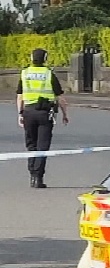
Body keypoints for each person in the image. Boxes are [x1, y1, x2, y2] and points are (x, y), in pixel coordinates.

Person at [16, 48, 68, 188]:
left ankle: (32, 174)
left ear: (31, 58)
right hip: (45, 114)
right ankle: (38, 177)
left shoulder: (25, 73)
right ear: (45, 59)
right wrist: (65, 114)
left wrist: (20, 113)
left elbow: (20, 96)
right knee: (42, 146)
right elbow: (60, 97)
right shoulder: (49, 74)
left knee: (31, 145)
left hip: (28, 112)